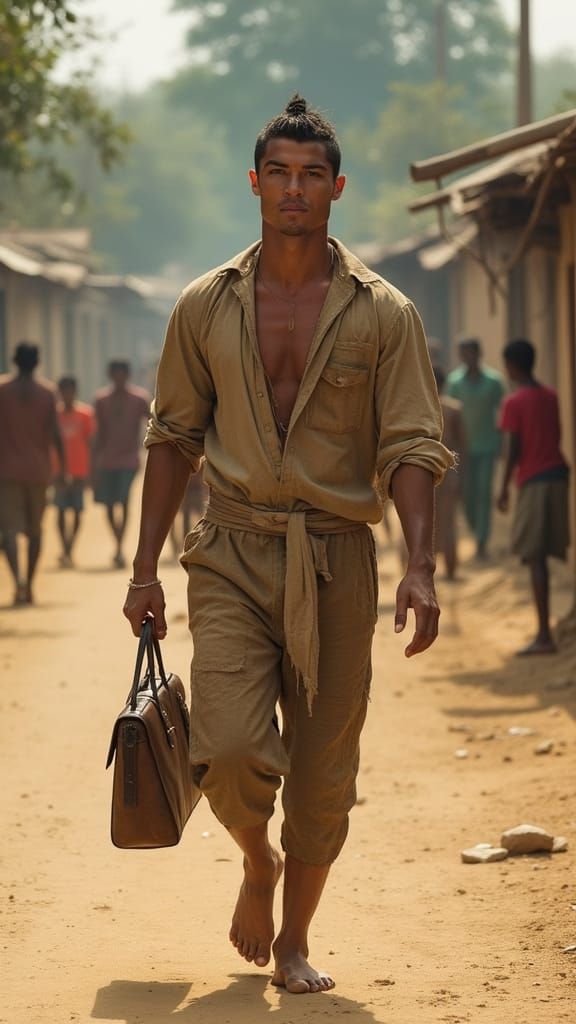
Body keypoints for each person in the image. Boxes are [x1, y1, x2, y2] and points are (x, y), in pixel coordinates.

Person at [123, 94, 453, 995]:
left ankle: (296, 938)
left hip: (336, 557)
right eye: (279, 173)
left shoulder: (385, 313)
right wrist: (145, 569)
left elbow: (413, 442)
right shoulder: (205, 304)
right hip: (231, 548)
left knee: (322, 773)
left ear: (337, 189)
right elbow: (172, 436)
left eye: (312, 175)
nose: (294, 189)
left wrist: (421, 567)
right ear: (255, 183)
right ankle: (256, 860)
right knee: (228, 745)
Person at [497, 339, 570, 655]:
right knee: (540, 554)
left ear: (512, 366)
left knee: (535, 556)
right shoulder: (550, 396)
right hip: (558, 475)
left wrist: (503, 488)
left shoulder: (514, 402)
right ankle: (544, 632)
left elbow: (513, 448)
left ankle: (543, 636)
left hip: (534, 479)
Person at [0, 342, 66, 605]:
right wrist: (63, 468)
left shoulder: (2, 390)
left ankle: (17, 582)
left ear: (14, 361)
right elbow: (56, 434)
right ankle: (30, 584)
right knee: (35, 530)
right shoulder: (47, 393)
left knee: (9, 531)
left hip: (6, 472)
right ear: (37, 362)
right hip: (39, 472)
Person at [446, 338, 505, 559]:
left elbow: (503, 414)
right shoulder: (454, 382)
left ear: (479, 354)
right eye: (464, 354)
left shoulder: (494, 382)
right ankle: (475, 529)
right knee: (467, 494)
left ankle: (482, 540)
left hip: (487, 446)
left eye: (471, 353)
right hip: (462, 450)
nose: (468, 358)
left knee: (483, 492)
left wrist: (503, 443)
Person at [93, 360, 150, 569]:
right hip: (107, 459)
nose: (118, 378)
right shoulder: (101, 400)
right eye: (115, 374)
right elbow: (97, 433)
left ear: (127, 375)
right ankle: (117, 541)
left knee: (124, 500)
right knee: (109, 504)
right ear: (110, 375)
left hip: (129, 460)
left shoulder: (139, 399)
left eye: (121, 374)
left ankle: (119, 546)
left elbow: (153, 422)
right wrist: (93, 463)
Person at [53, 376, 95, 567]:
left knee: (77, 511)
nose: (67, 395)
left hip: (79, 470)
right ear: (60, 393)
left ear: (75, 392)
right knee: (60, 510)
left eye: (70, 391)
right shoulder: (54, 415)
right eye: (64, 391)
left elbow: (91, 442)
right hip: (58, 471)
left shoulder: (85, 414)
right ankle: (64, 547)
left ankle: (70, 547)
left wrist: (91, 471)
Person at [432, 366, 467, 581]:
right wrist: (461, 476)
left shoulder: (418, 409)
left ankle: (427, 569)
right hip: (448, 472)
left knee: (424, 522)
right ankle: (450, 569)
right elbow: (463, 446)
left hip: (427, 474)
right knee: (448, 523)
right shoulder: (453, 409)